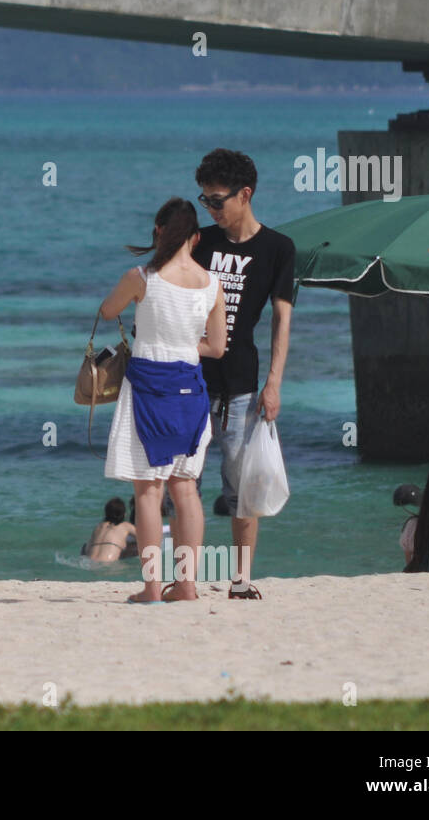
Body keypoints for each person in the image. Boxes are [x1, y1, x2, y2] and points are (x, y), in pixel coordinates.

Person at [177, 149, 295, 600]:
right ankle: (183, 579)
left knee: (244, 490)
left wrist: (275, 383)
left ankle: (241, 580)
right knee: (183, 484)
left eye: (217, 200)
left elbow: (282, 319)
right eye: (204, 199)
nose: (210, 209)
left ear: (245, 195)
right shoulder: (199, 242)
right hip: (188, 381)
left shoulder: (278, 249)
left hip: (243, 387)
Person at [100, 198, 227, 602]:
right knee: (185, 490)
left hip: (148, 390)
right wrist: (185, 341)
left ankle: (152, 588)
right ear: (195, 237)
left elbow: (107, 311)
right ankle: (186, 586)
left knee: (149, 492)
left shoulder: (141, 277)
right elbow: (219, 347)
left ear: (158, 230)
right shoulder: (212, 284)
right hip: (191, 390)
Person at [81, 497, 138, 562]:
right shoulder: (126, 526)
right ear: (124, 514)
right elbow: (145, 539)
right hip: (107, 565)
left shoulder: (99, 527)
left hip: (88, 562)